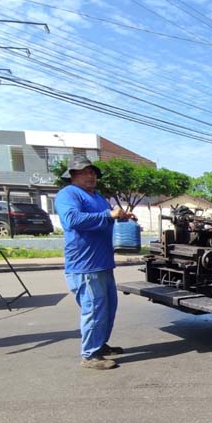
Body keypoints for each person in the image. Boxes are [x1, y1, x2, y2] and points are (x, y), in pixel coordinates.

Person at [55, 155, 135, 370]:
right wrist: (109, 214)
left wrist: (121, 216)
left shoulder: (97, 196)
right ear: (72, 175)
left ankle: (100, 345)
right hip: (84, 266)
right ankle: (90, 355)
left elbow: (106, 218)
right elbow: (72, 219)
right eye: (84, 172)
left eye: (92, 172)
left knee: (107, 309)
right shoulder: (68, 194)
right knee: (94, 310)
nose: (90, 176)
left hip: (103, 263)